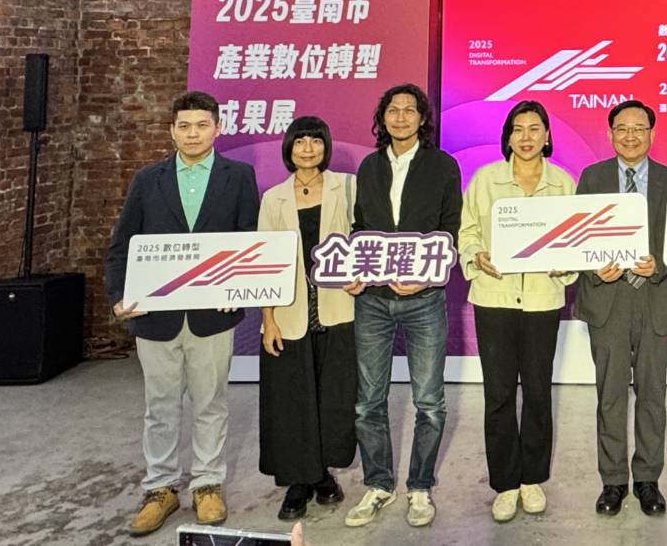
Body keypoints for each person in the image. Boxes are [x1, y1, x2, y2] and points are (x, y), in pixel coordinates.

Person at [104, 91, 259, 537]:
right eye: (184, 126)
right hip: (155, 315)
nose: (193, 134)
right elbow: (122, 244)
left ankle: (208, 484)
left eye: (202, 125)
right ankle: (161, 488)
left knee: (211, 403)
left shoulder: (238, 176)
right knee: (160, 407)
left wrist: (237, 288)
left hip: (212, 313)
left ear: (217, 128)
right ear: (172, 131)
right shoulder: (147, 180)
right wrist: (120, 295)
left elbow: (248, 239)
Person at [344, 85, 463, 530]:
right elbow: (360, 227)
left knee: (429, 402)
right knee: (368, 403)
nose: (400, 117)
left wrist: (427, 277)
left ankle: (420, 486)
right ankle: (378, 483)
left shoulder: (442, 166)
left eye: (409, 110)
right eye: (392, 110)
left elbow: (451, 229)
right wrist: (355, 269)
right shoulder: (369, 166)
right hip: (373, 300)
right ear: (383, 118)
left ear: (422, 118)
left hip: (425, 299)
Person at [459, 100, 578, 523]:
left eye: (535, 129)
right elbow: (467, 231)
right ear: (507, 137)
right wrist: (477, 254)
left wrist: (564, 263)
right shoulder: (485, 179)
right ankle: (506, 484)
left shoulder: (563, 183)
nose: (526, 137)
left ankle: (532, 479)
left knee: (539, 392)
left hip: (542, 300)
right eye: (518, 129)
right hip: (494, 297)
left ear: (547, 136)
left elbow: (575, 240)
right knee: (499, 394)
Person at [573, 100, 667, 517]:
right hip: (608, 298)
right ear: (610, 134)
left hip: (655, 297)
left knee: (653, 395)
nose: (631, 136)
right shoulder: (592, 177)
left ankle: (647, 479)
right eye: (622, 128)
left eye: (639, 128)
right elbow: (577, 236)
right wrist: (593, 268)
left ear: (652, 134)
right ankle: (613, 481)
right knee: (611, 395)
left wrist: (661, 264)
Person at [257, 115, 357, 521]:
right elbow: (263, 263)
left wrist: (362, 276)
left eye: (316, 140)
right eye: (300, 141)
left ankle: (323, 474)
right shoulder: (273, 198)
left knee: (333, 397)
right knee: (292, 399)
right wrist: (268, 320)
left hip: (338, 308)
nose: (308, 148)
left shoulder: (346, 187)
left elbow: (364, 240)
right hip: (289, 312)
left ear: (325, 146)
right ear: (289, 148)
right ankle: (299, 482)